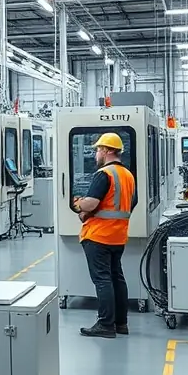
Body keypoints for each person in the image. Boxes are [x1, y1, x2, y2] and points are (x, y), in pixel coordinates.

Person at [72, 132, 137, 339]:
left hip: (99, 236)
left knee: (102, 280)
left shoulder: (104, 174)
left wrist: (79, 204)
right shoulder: (128, 175)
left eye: (98, 150)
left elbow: (91, 203)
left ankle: (105, 324)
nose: (96, 154)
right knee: (117, 278)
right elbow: (127, 204)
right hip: (118, 236)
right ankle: (121, 323)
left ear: (107, 151)